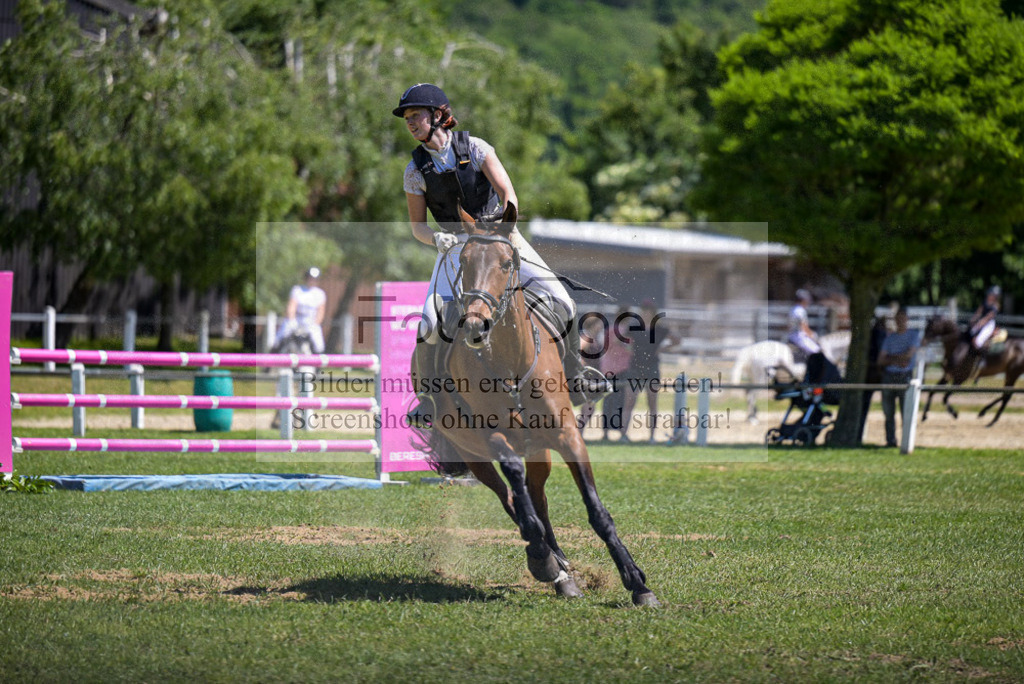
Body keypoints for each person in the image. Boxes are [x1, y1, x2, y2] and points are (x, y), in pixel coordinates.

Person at [393, 83, 607, 427]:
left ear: (438, 115)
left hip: (503, 239)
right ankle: (431, 399)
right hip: (457, 250)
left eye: (416, 115)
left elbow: (509, 195)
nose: (411, 122)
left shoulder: (476, 148)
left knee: (563, 302)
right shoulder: (415, 170)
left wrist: (500, 225)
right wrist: (438, 240)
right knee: (430, 323)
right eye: (407, 118)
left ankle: (576, 375)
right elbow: (417, 227)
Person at [621, 299, 671, 443]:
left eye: (648, 312)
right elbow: (620, 339)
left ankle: (652, 436)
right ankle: (623, 435)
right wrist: (629, 349)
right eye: (644, 312)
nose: (646, 314)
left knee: (652, 403)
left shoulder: (660, 329)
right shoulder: (634, 327)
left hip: (652, 368)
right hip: (635, 367)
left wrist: (662, 349)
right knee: (629, 402)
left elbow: (677, 340)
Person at [877, 306, 920, 448]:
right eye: (898, 318)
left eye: (902, 318)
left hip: (904, 376)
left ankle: (906, 441)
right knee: (888, 412)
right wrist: (898, 359)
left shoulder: (913, 336)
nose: (900, 321)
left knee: (905, 412)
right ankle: (890, 441)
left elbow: (909, 356)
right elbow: (881, 360)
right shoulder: (890, 338)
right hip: (889, 376)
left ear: (907, 319)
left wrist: (891, 358)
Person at [274, 267, 327, 353]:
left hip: (310, 322)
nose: (312, 281)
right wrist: (292, 320)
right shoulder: (297, 290)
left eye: (315, 279)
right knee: (280, 337)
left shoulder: (320, 294)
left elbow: (320, 313)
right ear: (306, 278)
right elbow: (291, 307)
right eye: (310, 278)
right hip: (296, 320)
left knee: (319, 345)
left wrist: (314, 324)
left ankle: (318, 364)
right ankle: (270, 362)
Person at [787, 289, 821, 360]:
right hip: (798, 336)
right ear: (803, 300)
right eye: (807, 300)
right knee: (816, 350)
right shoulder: (800, 311)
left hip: (794, 335)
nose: (808, 302)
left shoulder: (794, 309)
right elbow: (803, 327)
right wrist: (813, 335)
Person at [968, 285, 1001, 351]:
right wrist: (973, 320)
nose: (989, 295)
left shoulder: (996, 306)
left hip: (989, 324)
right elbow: (978, 312)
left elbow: (988, 317)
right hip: (981, 321)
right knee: (970, 333)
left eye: (992, 294)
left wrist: (980, 323)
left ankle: (982, 358)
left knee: (978, 341)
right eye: (990, 293)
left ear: (995, 296)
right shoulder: (985, 302)